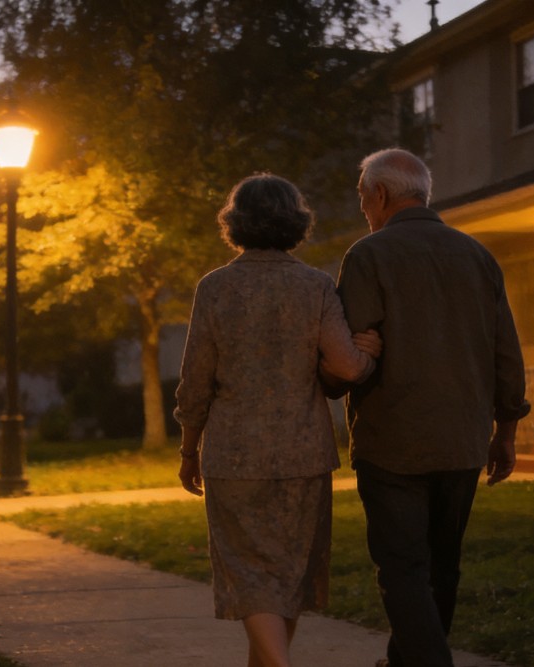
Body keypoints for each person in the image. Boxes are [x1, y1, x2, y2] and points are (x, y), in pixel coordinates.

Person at [174, 173, 381, 667]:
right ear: (296, 222)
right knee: (288, 576)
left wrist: (188, 449)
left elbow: (196, 380)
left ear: (235, 223)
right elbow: (348, 366)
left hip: (233, 455)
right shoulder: (314, 286)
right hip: (303, 454)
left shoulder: (216, 288)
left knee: (250, 576)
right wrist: (368, 355)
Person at [334, 148, 530, 667]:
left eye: (361, 199)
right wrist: (505, 431)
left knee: (401, 568)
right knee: (443, 567)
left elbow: (347, 356)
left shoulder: (368, 256)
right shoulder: (476, 256)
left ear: (379, 195)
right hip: (464, 439)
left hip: (392, 439)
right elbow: (506, 351)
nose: (363, 211)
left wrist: (337, 374)